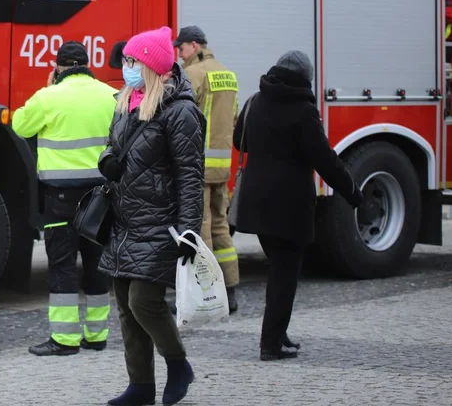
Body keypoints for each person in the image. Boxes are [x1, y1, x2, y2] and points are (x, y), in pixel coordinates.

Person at [231, 50, 365, 361]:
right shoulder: (303, 110)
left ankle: (278, 332)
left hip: (256, 202)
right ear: (307, 78)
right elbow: (325, 161)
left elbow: (241, 142)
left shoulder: (256, 100)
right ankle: (271, 343)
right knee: (284, 274)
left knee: (278, 269)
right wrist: (354, 193)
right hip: (289, 207)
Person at [98, 26, 204, 406]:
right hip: (125, 220)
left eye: (131, 61)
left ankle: (178, 366)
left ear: (151, 66)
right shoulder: (127, 101)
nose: (124, 67)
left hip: (161, 222)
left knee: (144, 301)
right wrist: (106, 161)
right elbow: (113, 148)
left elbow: (191, 175)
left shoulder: (181, 112)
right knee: (126, 305)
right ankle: (140, 386)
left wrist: (190, 231)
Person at [11, 41, 118, 356]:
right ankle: (97, 335)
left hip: (60, 198)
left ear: (58, 67)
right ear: (87, 64)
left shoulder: (49, 96)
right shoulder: (110, 95)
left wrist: (48, 89)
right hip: (102, 196)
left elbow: (20, 125)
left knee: (62, 265)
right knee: (98, 265)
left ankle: (65, 339)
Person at [175, 25, 241, 313]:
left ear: (193, 45)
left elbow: (181, 118)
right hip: (221, 166)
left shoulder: (192, 75)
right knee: (220, 226)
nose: (178, 54)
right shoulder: (228, 74)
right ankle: (231, 289)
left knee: (199, 229)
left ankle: (206, 294)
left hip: (196, 166)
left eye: (181, 48)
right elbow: (235, 117)